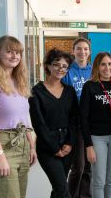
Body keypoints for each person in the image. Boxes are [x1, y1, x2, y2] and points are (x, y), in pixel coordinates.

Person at [0, 35, 37, 198]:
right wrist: (0, 155)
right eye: (9, 51)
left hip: (23, 143)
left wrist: (31, 146)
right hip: (3, 144)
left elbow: (25, 119)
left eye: (18, 52)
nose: (15, 56)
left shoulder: (20, 81)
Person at [80, 52, 111, 198]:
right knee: (99, 180)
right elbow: (84, 118)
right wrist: (88, 146)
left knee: (110, 178)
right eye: (103, 64)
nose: (107, 68)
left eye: (110, 64)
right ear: (97, 66)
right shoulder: (90, 87)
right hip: (98, 138)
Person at [29, 49, 78, 198]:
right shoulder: (36, 91)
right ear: (48, 66)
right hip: (47, 147)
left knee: (58, 187)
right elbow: (38, 123)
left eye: (64, 66)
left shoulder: (70, 91)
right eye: (56, 64)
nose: (60, 69)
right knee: (63, 189)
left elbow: (74, 119)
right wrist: (54, 148)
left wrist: (69, 143)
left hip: (67, 146)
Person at [63, 37, 92, 198]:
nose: (82, 52)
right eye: (79, 48)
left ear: (89, 52)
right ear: (73, 51)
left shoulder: (93, 70)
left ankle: (85, 195)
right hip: (76, 124)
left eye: (85, 49)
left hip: (92, 124)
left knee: (89, 166)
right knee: (78, 167)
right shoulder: (67, 71)